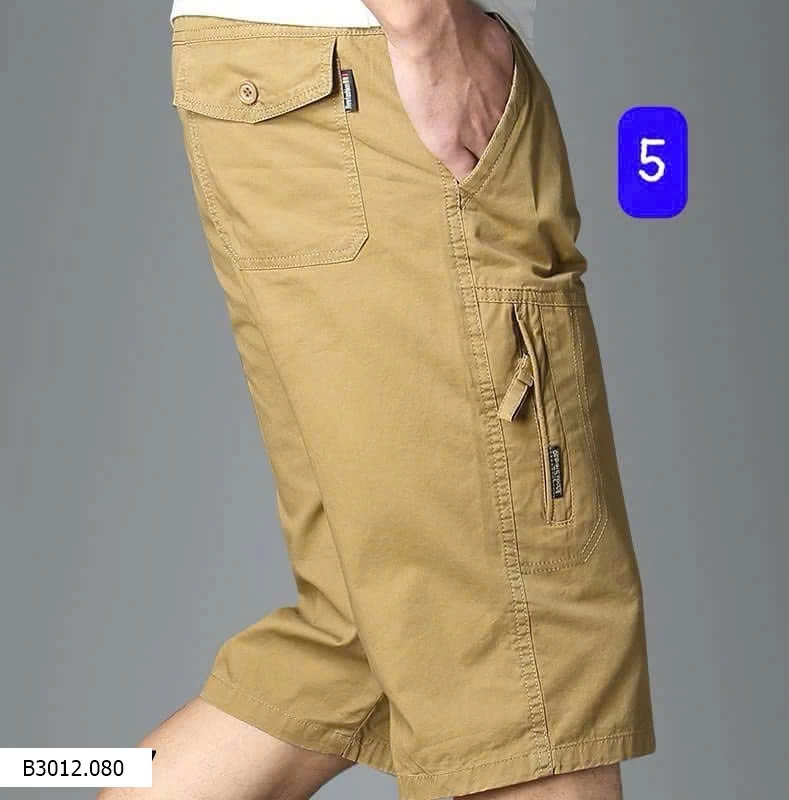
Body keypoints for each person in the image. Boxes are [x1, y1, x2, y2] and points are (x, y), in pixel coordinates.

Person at [100, 2, 656, 798]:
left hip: (296, 82)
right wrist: (428, 25)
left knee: (364, 634)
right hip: (367, 81)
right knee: (526, 672)